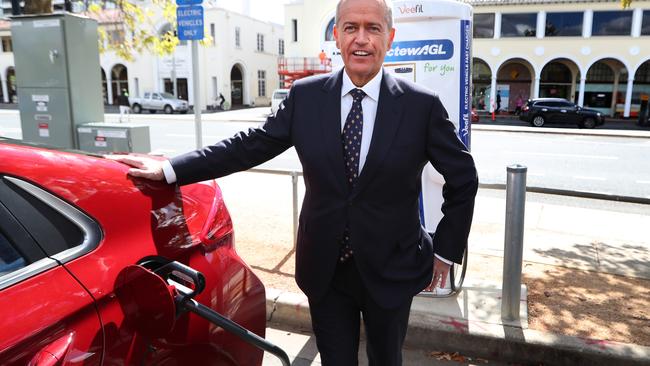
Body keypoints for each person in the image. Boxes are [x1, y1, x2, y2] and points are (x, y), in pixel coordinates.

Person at [109, 0, 478, 364]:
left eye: (373, 28)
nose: (361, 39)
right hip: (326, 269)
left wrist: (444, 251)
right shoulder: (306, 97)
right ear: (336, 35)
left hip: (391, 267)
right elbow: (248, 146)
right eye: (351, 28)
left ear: (390, 37)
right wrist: (171, 170)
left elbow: (463, 178)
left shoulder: (421, 106)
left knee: (386, 359)